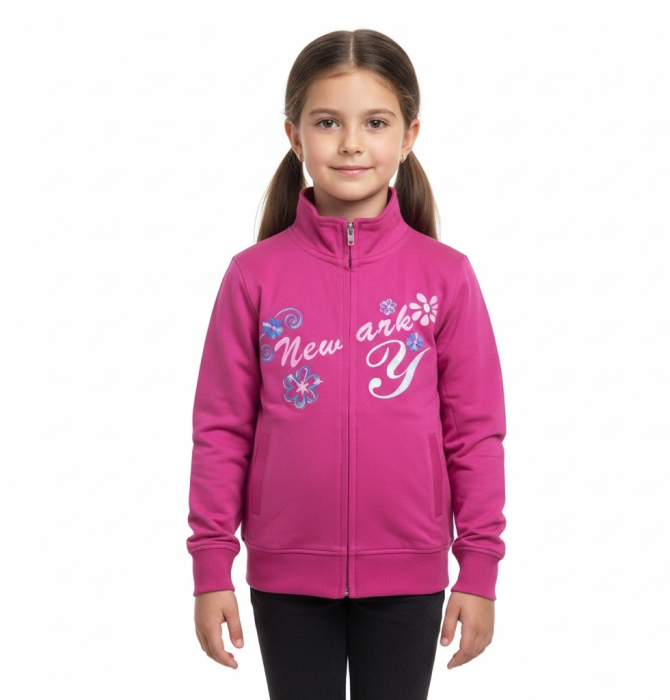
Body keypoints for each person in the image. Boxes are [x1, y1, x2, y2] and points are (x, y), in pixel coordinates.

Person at [186, 28, 507, 700]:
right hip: (286, 577)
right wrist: (212, 566)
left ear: (409, 135)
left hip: (410, 574)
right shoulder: (253, 277)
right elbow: (221, 430)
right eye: (328, 122)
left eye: (376, 122)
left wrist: (478, 569)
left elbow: (475, 433)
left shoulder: (445, 277)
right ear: (294, 136)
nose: (352, 143)